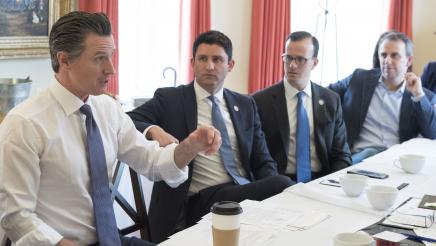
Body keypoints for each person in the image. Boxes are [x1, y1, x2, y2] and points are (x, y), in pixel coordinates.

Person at [0, 11, 222, 246]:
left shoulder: (107, 108)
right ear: (64, 60)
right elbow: (16, 216)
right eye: (98, 58)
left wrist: (189, 147)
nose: (111, 69)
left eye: (111, 56)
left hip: (110, 240)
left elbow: (152, 162)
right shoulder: (25, 124)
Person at [128, 30, 293, 243]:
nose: (209, 66)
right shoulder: (170, 99)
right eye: (203, 59)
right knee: (283, 183)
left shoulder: (244, 104)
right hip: (196, 201)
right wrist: (152, 129)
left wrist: (272, 196)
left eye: (217, 59)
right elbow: (127, 119)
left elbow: (262, 160)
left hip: (241, 192)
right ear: (192, 63)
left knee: (281, 186)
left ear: (230, 65)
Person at [252, 31, 351, 181]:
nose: (292, 65)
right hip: (279, 181)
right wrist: (274, 185)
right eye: (288, 58)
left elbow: (341, 155)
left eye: (300, 59)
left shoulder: (331, 100)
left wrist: (334, 183)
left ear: (314, 63)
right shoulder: (260, 101)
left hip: (321, 180)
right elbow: (258, 158)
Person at [329, 31, 436, 163]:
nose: (387, 61)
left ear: (409, 60)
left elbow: (432, 135)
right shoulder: (359, 79)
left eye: (395, 55)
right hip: (356, 159)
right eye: (383, 55)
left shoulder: (423, 96)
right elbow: (325, 96)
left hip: (394, 163)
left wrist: (419, 96)